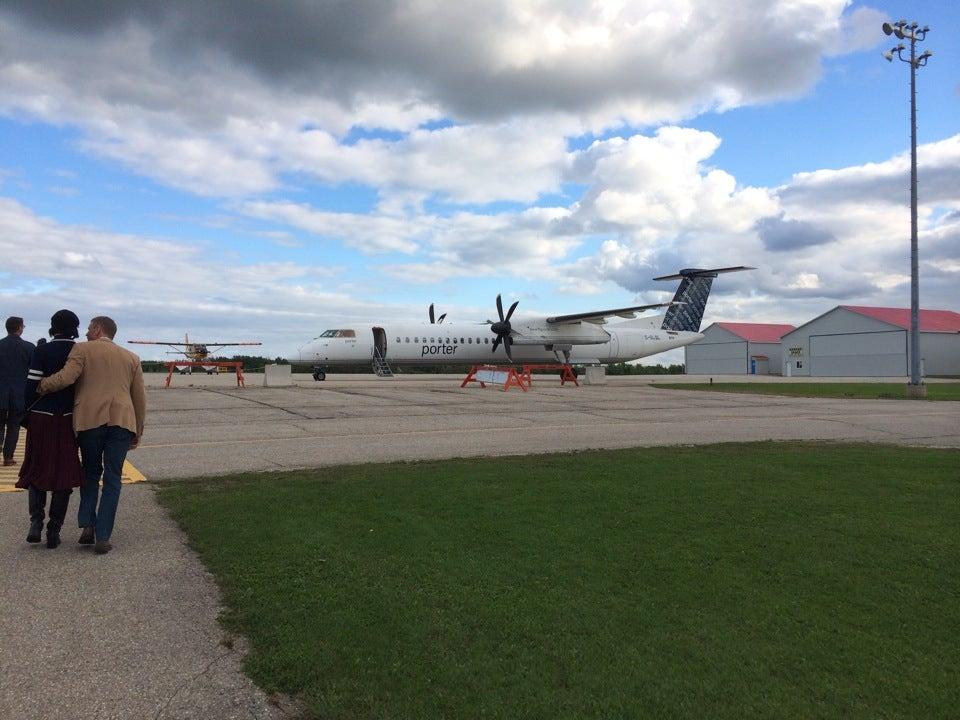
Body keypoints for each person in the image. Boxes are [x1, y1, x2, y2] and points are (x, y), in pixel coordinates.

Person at [39, 316, 146, 555]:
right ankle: (103, 536)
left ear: (98, 329)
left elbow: (66, 378)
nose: (86, 332)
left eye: (89, 328)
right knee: (113, 478)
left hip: (90, 421)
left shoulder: (82, 350)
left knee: (90, 473)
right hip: (122, 422)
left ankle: (88, 523)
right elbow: (139, 398)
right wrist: (138, 430)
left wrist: (40, 385)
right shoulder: (131, 357)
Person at [17, 310, 84, 548]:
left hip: (41, 417)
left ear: (53, 327)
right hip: (68, 418)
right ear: (75, 328)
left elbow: (30, 387)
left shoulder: (41, 351)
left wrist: (28, 417)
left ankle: (36, 522)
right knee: (63, 473)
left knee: (37, 469)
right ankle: (54, 530)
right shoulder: (79, 351)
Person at [0, 316, 35, 466]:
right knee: (14, 426)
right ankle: (8, 457)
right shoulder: (29, 347)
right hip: (19, 393)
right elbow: (33, 371)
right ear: (20, 328)